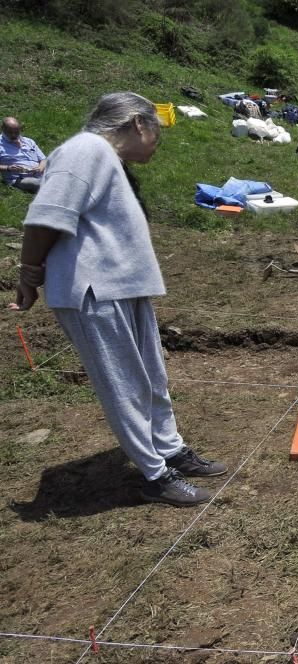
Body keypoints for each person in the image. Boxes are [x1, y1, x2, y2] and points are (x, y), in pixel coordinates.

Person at [9, 92, 227, 507]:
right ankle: (154, 475)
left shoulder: (105, 158)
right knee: (124, 384)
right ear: (138, 124)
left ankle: (170, 448)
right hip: (94, 289)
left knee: (151, 375)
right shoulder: (85, 149)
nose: (156, 144)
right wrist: (29, 276)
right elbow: (45, 217)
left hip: (123, 285)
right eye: (156, 134)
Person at [1, 117, 47, 193]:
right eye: (10, 132)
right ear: (2, 128)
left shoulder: (29, 141)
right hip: (19, 179)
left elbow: (43, 159)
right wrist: (8, 168)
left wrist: (40, 168)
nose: (13, 135)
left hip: (40, 174)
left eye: (16, 132)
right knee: (40, 184)